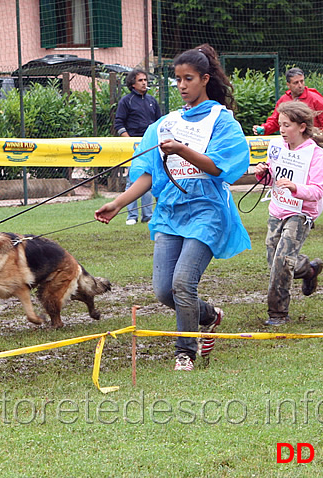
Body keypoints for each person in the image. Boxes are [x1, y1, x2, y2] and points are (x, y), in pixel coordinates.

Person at [95, 44, 251, 371]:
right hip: (169, 215)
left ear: (205, 79)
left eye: (188, 79)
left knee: (183, 284)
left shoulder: (222, 122)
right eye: (177, 79)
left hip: (207, 214)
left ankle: (185, 352)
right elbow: (149, 174)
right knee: (165, 291)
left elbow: (220, 167)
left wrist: (182, 149)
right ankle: (209, 315)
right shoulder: (164, 124)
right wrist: (118, 204)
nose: (181, 85)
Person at [254, 102, 323, 326]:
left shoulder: (315, 154)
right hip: (278, 210)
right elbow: (272, 176)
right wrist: (263, 173)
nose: (281, 129)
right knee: (274, 259)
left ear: (302, 127)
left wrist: (295, 188)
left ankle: (278, 312)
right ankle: (309, 270)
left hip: (301, 214)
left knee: (282, 261)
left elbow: (317, 191)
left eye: (287, 125)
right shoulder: (277, 146)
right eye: (280, 124)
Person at [253, 67, 323, 221]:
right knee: (294, 179)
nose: (300, 85)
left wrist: (312, 141)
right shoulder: (284, 101)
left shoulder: (315, 99)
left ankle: (307, 213)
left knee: (309, 180)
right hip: (291, 149)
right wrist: (264, 129)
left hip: (311, 147)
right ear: (288, 85)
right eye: (296, 83)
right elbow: (275, 121)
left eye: (302, 81)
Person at [114, 68, 162, 225]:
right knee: (132, 179)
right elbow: (119, 123)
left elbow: (159, 123)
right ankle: (132, 216)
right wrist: (129, 142)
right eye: (140, 80)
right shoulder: (125, 101)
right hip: (133, 145)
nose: (144, 83)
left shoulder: (152, 101)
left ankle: (148, 216)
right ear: (132, 84)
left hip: (151, 145)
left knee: (148, 178)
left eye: (145, 80)